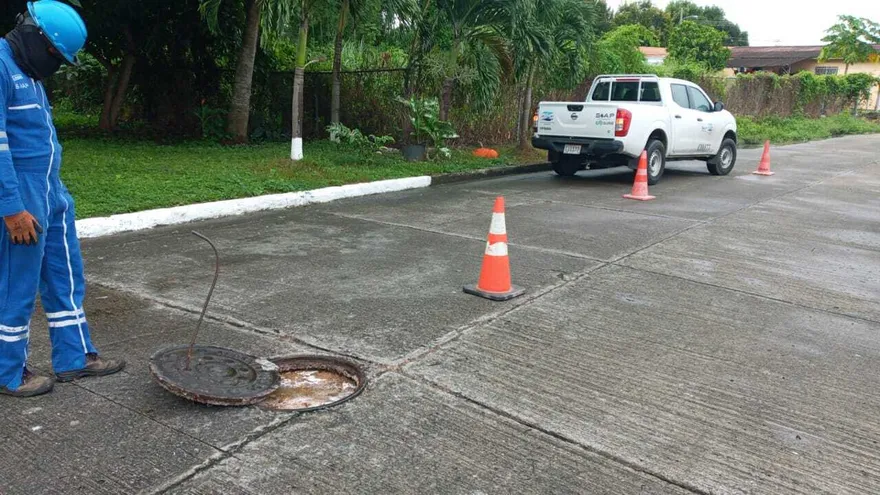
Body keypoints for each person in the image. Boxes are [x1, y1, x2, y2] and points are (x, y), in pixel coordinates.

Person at [0, 0, 124, 397]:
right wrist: (11, 207)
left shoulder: (28, 69)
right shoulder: (2, 66)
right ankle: (7, 371)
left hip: (50, 189)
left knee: (66, 274)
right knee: (16, 285)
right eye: (55, 55)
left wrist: (56, 194)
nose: (54, 64)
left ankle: (74, 356)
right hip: (22, 193)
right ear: (36, 38)